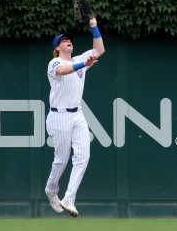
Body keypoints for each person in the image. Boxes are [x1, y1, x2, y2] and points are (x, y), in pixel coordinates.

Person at [45, 17, 105, 217]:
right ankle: (51, 190)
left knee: (83, 156)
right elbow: (63, 70)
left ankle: (69, 198)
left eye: (69, 39)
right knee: (62, 160)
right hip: (59, 115)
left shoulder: (80, 59)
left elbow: (99, 51)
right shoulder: (55, 62)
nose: (68, 41)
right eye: (63, 40)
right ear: (57, 47)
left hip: (77, 114)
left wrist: (94, 26)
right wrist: (83, 64)